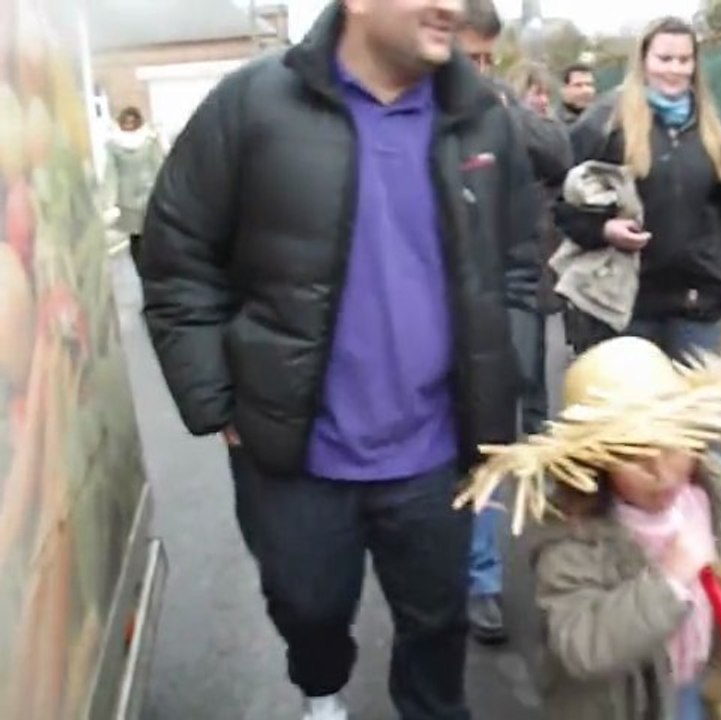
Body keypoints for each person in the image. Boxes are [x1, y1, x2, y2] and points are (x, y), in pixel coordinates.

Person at [139, 0, 540, 718]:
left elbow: (516, 267)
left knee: (437, 623)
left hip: (435, 456)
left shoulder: (483, 120)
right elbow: (177, 258)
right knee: (309, 609)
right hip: (296, 456)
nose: (453, 6)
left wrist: (500, 382)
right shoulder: (252, 104)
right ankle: (322, 693)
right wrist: (220, 407)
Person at [455, 336, 721, 719]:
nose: (661, 473)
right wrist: (671, 580)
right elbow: (580, 646)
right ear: (596, 462)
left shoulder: (707, 495)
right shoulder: (572, 541)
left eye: (673, 446)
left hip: (685, 678)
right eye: (633, 456)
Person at [457, 0, 572, 646]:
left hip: (501, 309)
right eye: (465, 57)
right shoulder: (412, 115)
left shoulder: (499, 107)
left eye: (485, 59)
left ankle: (482, 581)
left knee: (487, 451)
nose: (476, 70)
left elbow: (562, 151)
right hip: (431, 317)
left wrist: (505, 119)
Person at [555, 16, 721, 361]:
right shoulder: (605, 124)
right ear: (643, 60)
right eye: (664, 59)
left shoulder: (714, 132)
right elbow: (563, 205)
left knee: (693, 412)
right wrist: (603, 229)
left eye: (684, 60)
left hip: (695, 306)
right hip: (625, 308)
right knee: (632, 413)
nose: (674, 69)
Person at [102, 106, 165, 267]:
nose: (129, 124)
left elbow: (159, 166)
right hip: (127, 200)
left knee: (152, 233)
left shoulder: (149, 141)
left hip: (149, 195)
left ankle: (156, 264)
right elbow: (111, 175)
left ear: (138, 122)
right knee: (135, 236)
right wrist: (108, 203)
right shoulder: (114, 145)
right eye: (126, 121)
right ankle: (141, 266)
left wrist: (164, 191)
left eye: (132, 121)